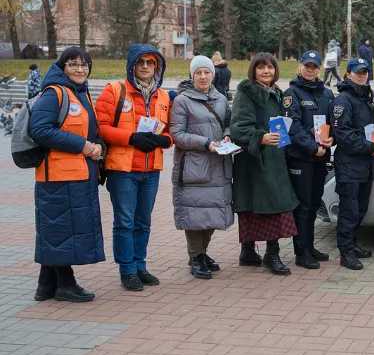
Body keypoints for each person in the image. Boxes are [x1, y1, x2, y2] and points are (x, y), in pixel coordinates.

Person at [96, 44, 173, 291]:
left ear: (157, 67)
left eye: (151, 63)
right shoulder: (114, 91)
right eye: (141, 62)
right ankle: (127, 269)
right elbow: (101, 127)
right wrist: (130, 138)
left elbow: (170, 131)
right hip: (123, 169)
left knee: (143, 221)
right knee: (125, 221)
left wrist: (166, 140)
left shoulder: (163, 96)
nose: (146, 67)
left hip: (151, 169)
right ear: (132, 65)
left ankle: (140, 265)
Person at [30, 48, 104, 302]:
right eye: (73, 64)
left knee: (59, 230)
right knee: (62, 230)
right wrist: (83, 146)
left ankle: (46, 285)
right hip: (59, 176)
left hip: (76, 173)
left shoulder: (79, 93)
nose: (80, 69)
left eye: (85, 65)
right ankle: (65, 285)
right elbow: (40, 130)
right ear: (63, 67)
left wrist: (97, 145)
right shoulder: (55, 93)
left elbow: (89, 129)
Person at [230, 53, 299, 276]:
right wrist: (260, 137)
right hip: (255, 159)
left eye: (270, 67)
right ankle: (270, 254)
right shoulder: (246, 93)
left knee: (272, 203)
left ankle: (249, 253)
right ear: (253, 71)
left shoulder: (276, 94)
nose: (266, 71)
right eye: (261, 68)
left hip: (274, 158)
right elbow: (239, 127)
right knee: (264, 205)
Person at [168, 56, 234, 280]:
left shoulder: (221, 99)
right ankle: (195, 256)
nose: (203, 76)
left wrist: (226, 137)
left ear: (212, 74)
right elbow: (177, 135)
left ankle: (202, 252)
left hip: (219, 164)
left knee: (213, 210)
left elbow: (228, 124)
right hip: (195, 166)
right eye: (198, 73)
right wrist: (205, 143)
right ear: (192, 75)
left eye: (207, 72)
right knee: (194, 211)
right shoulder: (182, 101)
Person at [283, 50, 334, 270]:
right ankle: (301, 252)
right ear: (300, 66)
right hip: (301, 158)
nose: (311, 70)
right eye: (307, 66)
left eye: (314, 67)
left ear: (319, 69)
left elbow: (333, 121)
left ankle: (310, 246)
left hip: (321, 158)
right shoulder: (291, 94)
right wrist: (314, 148)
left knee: (314, 205)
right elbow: (292, 127)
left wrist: (332, 138)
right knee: (302, 207)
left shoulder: (327, 94)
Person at [330, 58, 374, 270]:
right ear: (348, 74)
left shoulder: (365, 97)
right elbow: (342, 134)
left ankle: (352, 244)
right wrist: (369, 146)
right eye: (357, 72)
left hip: (365, 165)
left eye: (365, 72)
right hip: (350, 165)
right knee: (349, 211)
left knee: (360, 209)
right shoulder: (343, 100)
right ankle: (346, 252)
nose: (362, 75)